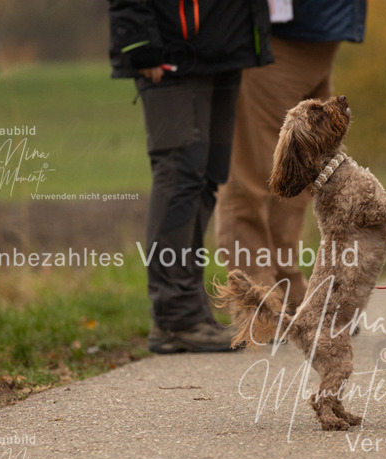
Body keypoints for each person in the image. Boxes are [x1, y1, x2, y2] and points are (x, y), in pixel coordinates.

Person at [108, 1, 273, 353]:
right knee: (180, 177)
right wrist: (139, 43)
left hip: (227, 48)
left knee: (207, 176)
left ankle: (188, 311)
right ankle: (173, 317)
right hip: (171, 53)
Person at [215, 1, 367, 313]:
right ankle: (256, 301)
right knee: (251, 174)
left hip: (319, 31)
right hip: (271, 35)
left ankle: (287, 288)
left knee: (299, 172)